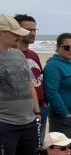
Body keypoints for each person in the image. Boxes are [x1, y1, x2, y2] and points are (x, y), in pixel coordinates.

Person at [0, 14, 40, 155]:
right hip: (4, 122)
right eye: (15, 33)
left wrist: (35, 110)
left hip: (27, 120)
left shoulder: (17, 55)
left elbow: (28, 83)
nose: (19, 37)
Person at [13, 15, 46, 143]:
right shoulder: (8, 54)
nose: (32, 33)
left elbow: (39, 79)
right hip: (21, 109)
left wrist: (45, 103)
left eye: (34, 30)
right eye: (28, 30)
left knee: (37, 147)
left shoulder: (33, 55)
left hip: (41, 108)